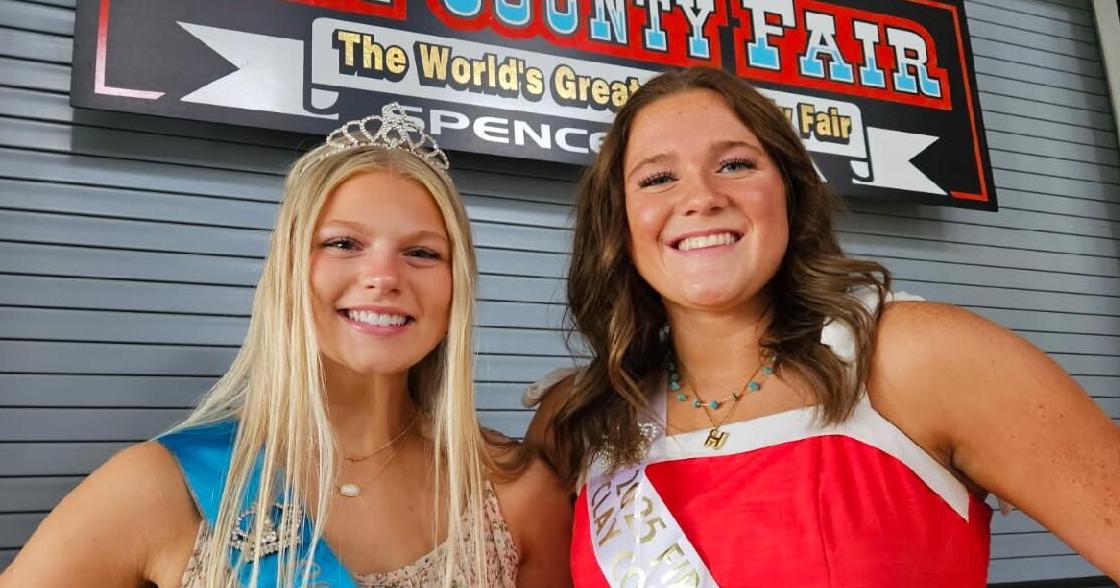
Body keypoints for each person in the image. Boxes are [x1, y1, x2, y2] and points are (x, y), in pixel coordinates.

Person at [525, 67, 1120, 586]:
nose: (701, 197)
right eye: (657, 178)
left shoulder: (918, 357)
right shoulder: (579, 420)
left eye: (735, 164)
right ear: (618, 221)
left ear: (789, 192)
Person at [2, 103, 572, 587]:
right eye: (343, 243)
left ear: (458, 287)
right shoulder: (162, 486)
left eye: (422, 252)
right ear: (289, 271)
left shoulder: (518, 492)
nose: (384, 277)